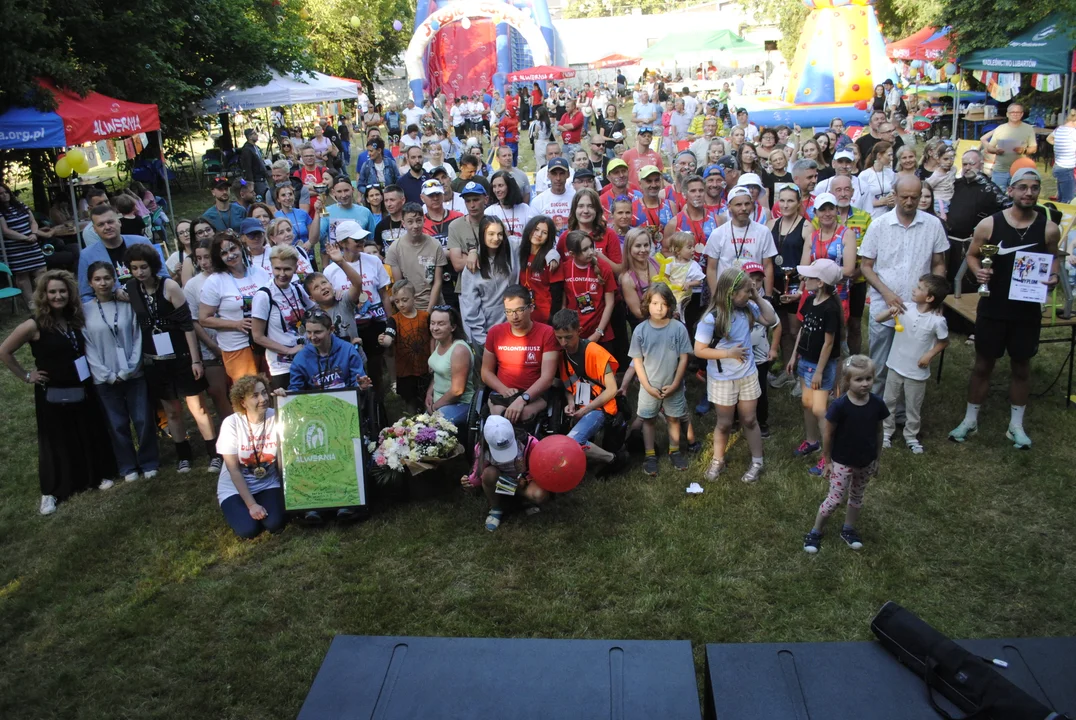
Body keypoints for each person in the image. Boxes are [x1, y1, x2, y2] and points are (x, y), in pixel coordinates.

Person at [949, 168, 1061, 449]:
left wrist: (1053, 276)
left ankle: (1016, 426)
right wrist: (979, 272)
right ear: (1010, 191)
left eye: (1034, 188)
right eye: (1022, 187)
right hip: (993, 306)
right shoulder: (989, 224)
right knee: (983, 365)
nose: (1028, 193)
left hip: (1027, 310)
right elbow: (972, 255)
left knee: (1021, 366)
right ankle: (970, 420)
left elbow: (1053, 258)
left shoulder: (1048, 228)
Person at [0, 270, 118, 514]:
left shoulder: (74, 318)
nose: (58, 296)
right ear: (44, 295)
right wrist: (26, 376)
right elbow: (4, 351)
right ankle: (51, 491)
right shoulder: (33, 325)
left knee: (87, 431)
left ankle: (95, 475)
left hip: (82, 385)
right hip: (53, 392)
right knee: (55, 441)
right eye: (52, 292)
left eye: (62, 291)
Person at [125, 243, 212, 474]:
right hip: (155, 360)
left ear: (153, 266)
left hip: (181, 357)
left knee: (198, 408)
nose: (139, 272)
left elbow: (187, 325)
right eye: (134, 268)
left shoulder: (169, 286)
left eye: (144, 267)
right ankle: (183, 454)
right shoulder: (131, 289)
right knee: (171, 411)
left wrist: (195, 360)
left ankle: (213, 452)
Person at [858, 175, 948, 395]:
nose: (909, 202)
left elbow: (938, 263)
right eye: (904, 197)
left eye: (914, 197)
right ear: (895, 195)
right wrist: (886, 293)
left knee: (910, 363)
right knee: (879, 363)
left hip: (920, 309)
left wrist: (935, 297)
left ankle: (901, 409)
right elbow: (866, 266)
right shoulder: (879, 225)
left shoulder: (933, 224)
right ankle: (875, 405)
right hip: (884, 305)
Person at [695, 267, 776, 483]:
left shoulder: (748, 309)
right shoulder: (711, 319)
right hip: (722, 379)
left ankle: (757, 461)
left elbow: (770, 319)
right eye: (747, 291)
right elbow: (699, 350)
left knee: (750, 419)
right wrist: (728, 353)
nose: (750, 294)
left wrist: (757, 297)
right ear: (731, 293)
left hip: (747, 375)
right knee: (724, 423)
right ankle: (718, 460)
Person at [81, 260, 159, 481]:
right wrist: (105, 374)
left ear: (114, 280)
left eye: (107, 278)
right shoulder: (85, 311)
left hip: (133, 373)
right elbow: (88, 346)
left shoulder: (127, 305)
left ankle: (148, 461)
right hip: (104, 378)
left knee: (142, 419)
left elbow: (137, 337)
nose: (103, 283)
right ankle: (127, 466)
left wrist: (130, 368)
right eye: (97, 279)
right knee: (117, 424)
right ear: (90, 283)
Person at [802, 355, 888, 553]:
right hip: (842, 461)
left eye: (868, 378)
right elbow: (828, 434)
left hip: (865, 461)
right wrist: (827, 460)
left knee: (857, 496)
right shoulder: (840, 406)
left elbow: (879, 432)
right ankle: (815, 531)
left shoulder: (877, 404)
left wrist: (877, 458)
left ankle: (848, 529)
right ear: (848, 381)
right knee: (834, 499)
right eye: (859, 379)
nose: (865, 383)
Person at [870, 273, 949, 453]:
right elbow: (878, 319)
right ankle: (886, 432)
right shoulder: (905, 308)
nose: (914, 289)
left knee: (913, 406)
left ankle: (911, 436)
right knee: (889, 401)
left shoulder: (938, 321)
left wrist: (929, 355)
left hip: (916, 372)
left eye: (919, 288)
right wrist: (890, 312)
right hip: (895, 365)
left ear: (929, 298)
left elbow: (944, 341)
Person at [784, 258, 843, 474]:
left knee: (820, 410)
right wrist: (794, 356)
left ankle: (829, 458)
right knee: (807, 403)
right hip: (805, 361)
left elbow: (828, 343)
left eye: (809, 277)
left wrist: (819, 371)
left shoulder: (830, 309)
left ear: (820, 283)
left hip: (820, 367)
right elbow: (803, 329)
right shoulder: (810, 300)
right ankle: (812, 441)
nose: (803, 279)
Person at [628, 282, 693, 475]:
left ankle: (674, 450)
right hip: (649, 387)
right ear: (647, 304)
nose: (659, 308)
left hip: (673, 386)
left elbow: (684, 358)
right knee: (648, 420)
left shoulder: (678, 328)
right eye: (655, 303)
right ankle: (650, 455)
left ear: (670, 305)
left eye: (664, 304)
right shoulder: (640, 330)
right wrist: (647, 386)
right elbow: (637, 361)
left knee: (673, 418)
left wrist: (675, 384)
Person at [216, 374, 287, 539]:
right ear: (243, 402)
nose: (263, 399)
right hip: (234, 487)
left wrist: (285, 401)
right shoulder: (231, 424)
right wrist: (252, 505)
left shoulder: (277, 415)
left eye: (264, 392)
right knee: (248, 530)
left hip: (267, 482)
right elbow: (233, 470)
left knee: (275, 524)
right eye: (255, 396)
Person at [198, 230, 272, 381]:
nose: (230, 255)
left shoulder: (259, 272)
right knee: (248, 391)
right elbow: (204, 319)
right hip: (237, 345)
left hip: (268, 340)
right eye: (224, 253)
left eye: (233, 249)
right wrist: (236, 324)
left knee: (272, 387)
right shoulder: (215, 281)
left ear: (241, 247)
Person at [481, 285, 559, 424]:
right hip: (503, 393)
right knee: (500, 418)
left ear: (531, 307)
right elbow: (486, 372)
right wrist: (503, 389)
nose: (514, 317)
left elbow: (547, 378)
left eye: (519, 310)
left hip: (535, 394)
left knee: (521, 416)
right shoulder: (495, 333)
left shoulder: (546, 333)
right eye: (509, 311)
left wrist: (523, 399)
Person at [551, 308, 619, 468]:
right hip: (580, 408)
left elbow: (612, 389)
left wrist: (585, 410)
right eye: (559, 337)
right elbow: (568, 386)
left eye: (568, 337)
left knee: (572, 441)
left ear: (579, 331)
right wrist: (570, 403)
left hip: (601, 408)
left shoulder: (595, 352)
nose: (563, 343)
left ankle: (613, 459)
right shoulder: (562, 355)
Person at [183, 237, 234, 450]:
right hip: (210, 348)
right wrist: (212, 346)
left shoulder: (230, 275)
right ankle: (231, 436)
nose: (204, 262)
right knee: (218, 392)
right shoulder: (192, 285)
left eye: (207, 257)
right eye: (199, 258)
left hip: (235, 343)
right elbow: (194, 320)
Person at [250, 244, 314, 391]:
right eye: (277, 269)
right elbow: (257, 336)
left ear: (295, 268)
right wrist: (288, 350)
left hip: (306, 358)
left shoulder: (297, 289)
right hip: (282, 366)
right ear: (271, 267)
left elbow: (315, 311)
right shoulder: (264, 295)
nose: (282, 274)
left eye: (287, 269)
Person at [76, 205, 166, 302]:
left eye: (110, 222)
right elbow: (86, 295)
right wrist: (112, 295)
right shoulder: (87, 255)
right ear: (94, 229)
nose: (107, 227)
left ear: (119, 222)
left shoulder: (142, 242)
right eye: (101, 225)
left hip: (150, 300)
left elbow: (163, 275)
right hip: (113, 307)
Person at [460, 214, 520, 349]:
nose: (496, 238)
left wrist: (552, 253)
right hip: (486, 333)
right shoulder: (473, 265)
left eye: (500, 234)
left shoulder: (512, 246)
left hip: (514, 328)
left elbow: (535, 239)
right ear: (482, 235)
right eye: (491, 234)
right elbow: (470, 306)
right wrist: (482, 339)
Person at [704, 187, 776, 296]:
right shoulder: (718, 233)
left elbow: (767, 266)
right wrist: (716, 297)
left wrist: (768, 296)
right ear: (729, 207)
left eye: (747, 204)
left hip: (755, 295)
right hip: (727, 295)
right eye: (738, 205)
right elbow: (711, 268)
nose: (744, 208)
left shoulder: (763, 231)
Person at [741, 261, 780, 437]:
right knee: (739, 390)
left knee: (761, 391)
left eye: (758, 280)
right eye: (751, 279)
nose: (754, 283)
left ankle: (762, 421)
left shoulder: (763, 304)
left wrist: (773, 348)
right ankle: (737, 419)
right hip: (741, 356)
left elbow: (776, 325)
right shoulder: (736, 303)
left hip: (760, 357)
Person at [385, 202, 446, 311]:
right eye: (410, 222)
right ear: (403, 223)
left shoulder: (435, 245)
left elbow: (437, 282)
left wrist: (429, 311)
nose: (415, 226)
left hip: (434, 304)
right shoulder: (395, 248)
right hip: (410, 306)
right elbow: (399, 284)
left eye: (418, 220)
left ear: (424, 220)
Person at [425, 304, 474, 426]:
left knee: (429, 429)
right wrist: (429, 393)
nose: (435, 328)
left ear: (453, 327)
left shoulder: (459, 350)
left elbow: (457, 391)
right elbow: (439, 372)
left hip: (459, 404)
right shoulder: (439, 341)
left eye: (441, 324)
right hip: (439, 402)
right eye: (432, 323)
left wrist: (435, 407)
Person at [0, 183, 47, 308]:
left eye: (6, 192)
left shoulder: (21, 206)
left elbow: (33, 221)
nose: (4, 195)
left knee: (41, 270)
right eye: (1, 194)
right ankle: (32, 303)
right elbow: (6, 231)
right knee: (22, 275)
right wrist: (25, 238)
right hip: (15, 248)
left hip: (32, 244)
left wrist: (34, 233)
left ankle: (43, 298)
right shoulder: (0, 212)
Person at [518, 215, 564, 325]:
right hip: (524, 316)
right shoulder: (520, 253)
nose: (539, 235)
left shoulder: (551, 260)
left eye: (544, 232)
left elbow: (557, 294)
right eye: (536, 229)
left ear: (549, 237)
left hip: (545, 318)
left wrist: (553, 318)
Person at [981, 103, 1037, 189]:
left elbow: (1034, 148)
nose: (1015, 114)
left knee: (1018, 195)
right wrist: (996, 151)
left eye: (1018, 112)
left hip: (1019, 170)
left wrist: (1024, 150)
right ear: (1007, 114)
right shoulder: (1000, 128)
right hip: (1000, 170)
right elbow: (990, 148)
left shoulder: (1029, 129)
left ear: (1022, 114)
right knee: (997, 194)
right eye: (1012, 112)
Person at [318, 176, 377, 252]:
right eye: (339, 191)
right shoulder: (326, 211)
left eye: (346, 190)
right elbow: (318, 236)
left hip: (360, 256)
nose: (343, 195)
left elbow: (372, 239)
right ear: (333, 192)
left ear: (352, 189)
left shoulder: (365, 212)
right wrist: (317, 214)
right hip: (336, 257)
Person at [485, 170, 533, 243]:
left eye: (500, 185)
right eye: (494, 186)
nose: (497, 190)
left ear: (509, 186)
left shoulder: (525, 209)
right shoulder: (489, 212)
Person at [531, 157, 576, 233]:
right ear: (548, 175)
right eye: (554, 174)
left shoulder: (576, 197)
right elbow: (532, 229)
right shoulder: (538, 201)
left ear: (568, 174)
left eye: (561, 173)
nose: (558, 178)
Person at [858, 141, 896, 219]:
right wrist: (880, 202)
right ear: (879, 155)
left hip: (888, 216)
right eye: (889, 155)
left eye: (892, 155)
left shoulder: (890, 173)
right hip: (871, 217)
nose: (891, 158)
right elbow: (859, 200)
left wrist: (893, 201)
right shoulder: (865, 175)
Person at [1046, 109, 1076, 203]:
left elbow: (1049, 138)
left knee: (1061, 196)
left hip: (1059, 166)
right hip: (1066, 168)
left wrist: (1060, 144)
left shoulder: (1059, 129)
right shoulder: (1073, 132)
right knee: (1068, 199)